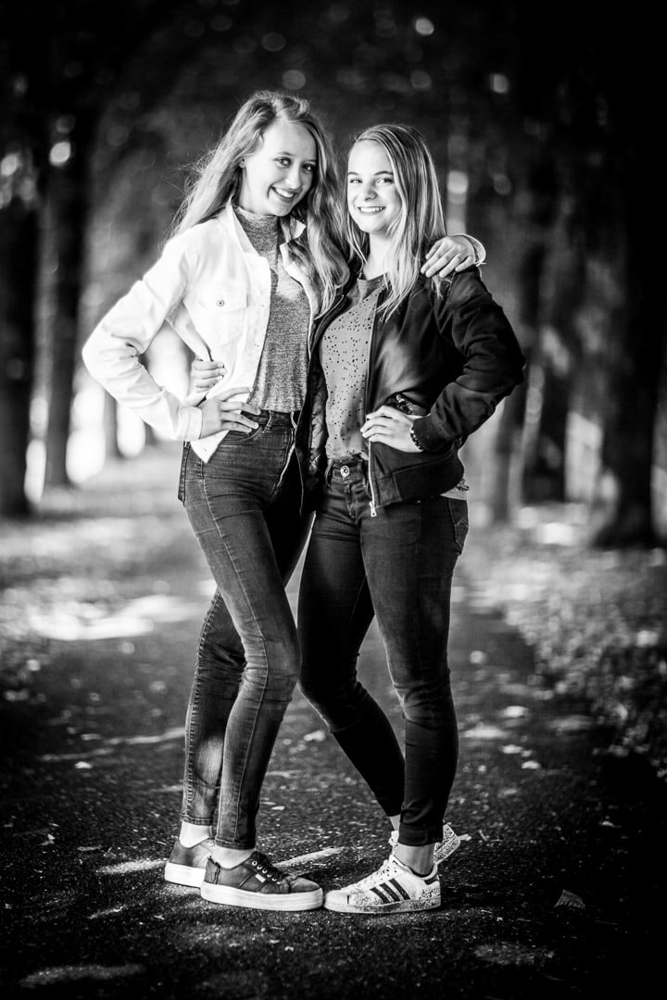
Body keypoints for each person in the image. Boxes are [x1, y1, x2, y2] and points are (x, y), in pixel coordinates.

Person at [82, 91, 484, 913]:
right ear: (243, 158)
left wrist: (460, 244)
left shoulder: (316, 245)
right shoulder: (201, 246)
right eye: (281, 162)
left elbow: (388, 257)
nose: (295, 179)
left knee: (227, 644)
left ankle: (193, 840)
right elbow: (108, 345)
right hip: (229, 462)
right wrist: (181, 413)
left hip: (301, 472)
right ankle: (231, 858)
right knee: (277, 656)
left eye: (307, 166)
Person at [295, 123, 525, 914]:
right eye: (356, 179)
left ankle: (415, 868)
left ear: (412, 186)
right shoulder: (348, 273)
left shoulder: (441, 274)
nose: (365, 194)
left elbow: (497, 359)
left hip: (410, 501)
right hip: (339, 495)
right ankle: (419, 826)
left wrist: (429, 430)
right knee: (321, 672)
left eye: (384, 179)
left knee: (418, 684)